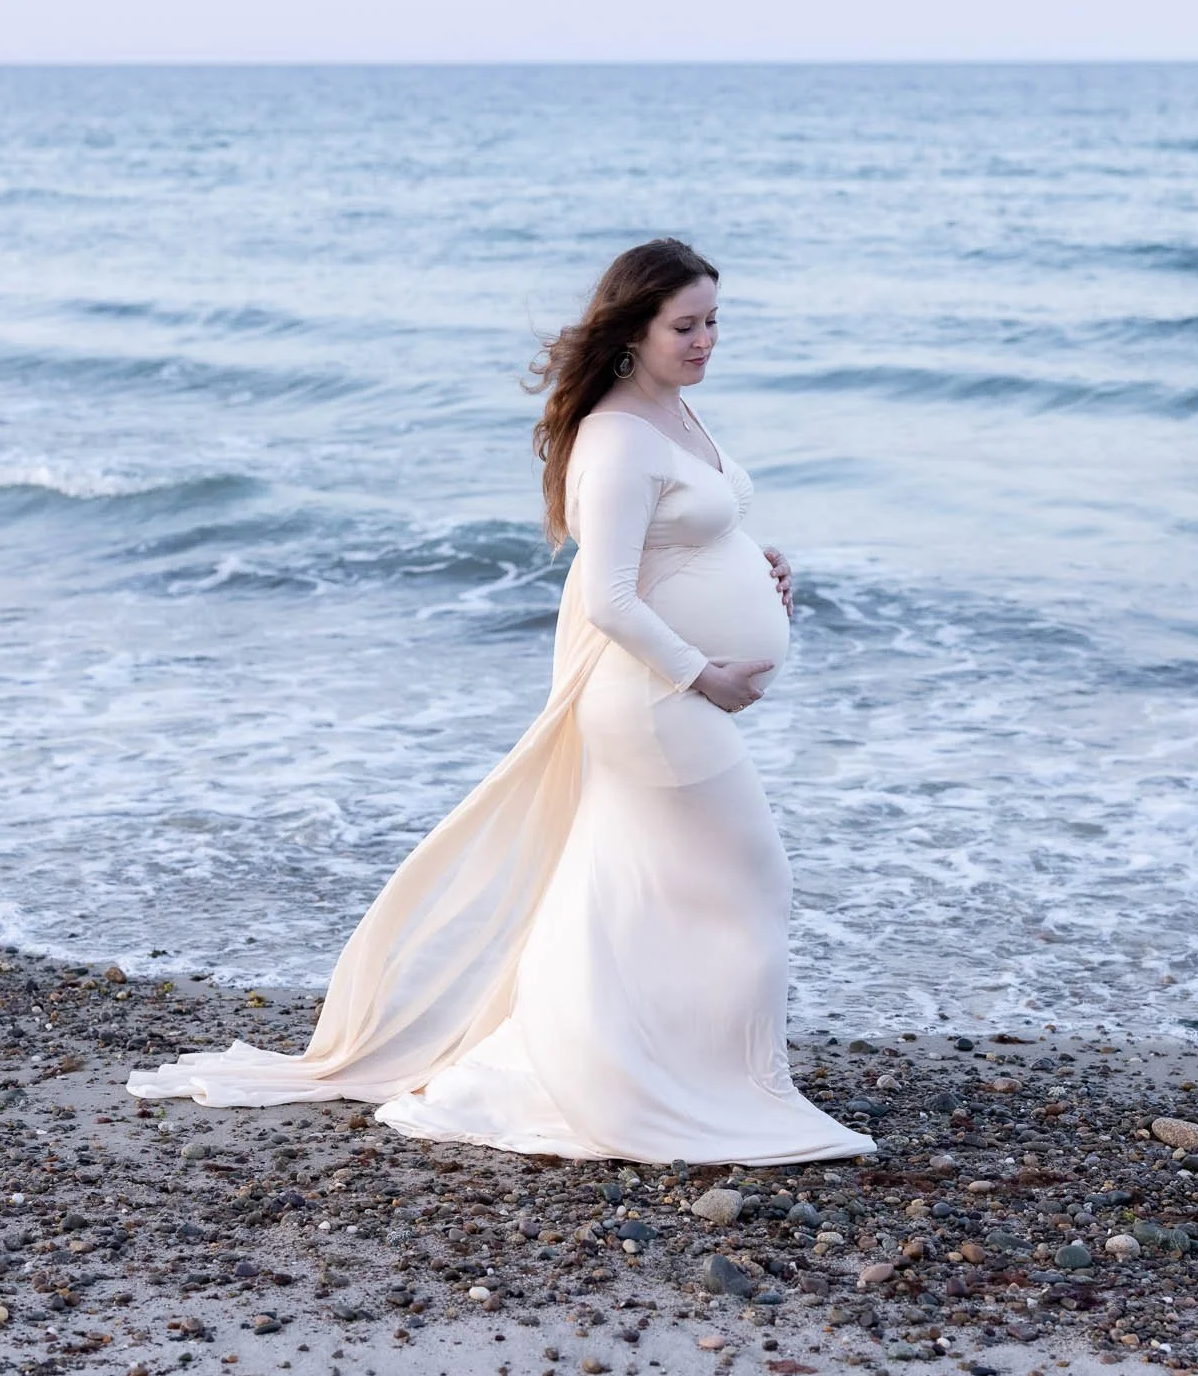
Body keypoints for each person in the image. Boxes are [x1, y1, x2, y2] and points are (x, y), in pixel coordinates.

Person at [125, 238, 876, 1166]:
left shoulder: (676, 413)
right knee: (752, 881)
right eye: (685, 325)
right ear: (632, 332)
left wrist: (761, 571)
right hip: (652, 702)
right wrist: (703, 672)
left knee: (648, 897)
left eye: (714, 319)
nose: (706, 339)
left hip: (670, 694)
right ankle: (706, 1089)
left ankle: (666, 1069)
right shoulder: (616, 437)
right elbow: (606, 596)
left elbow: (679, 541)